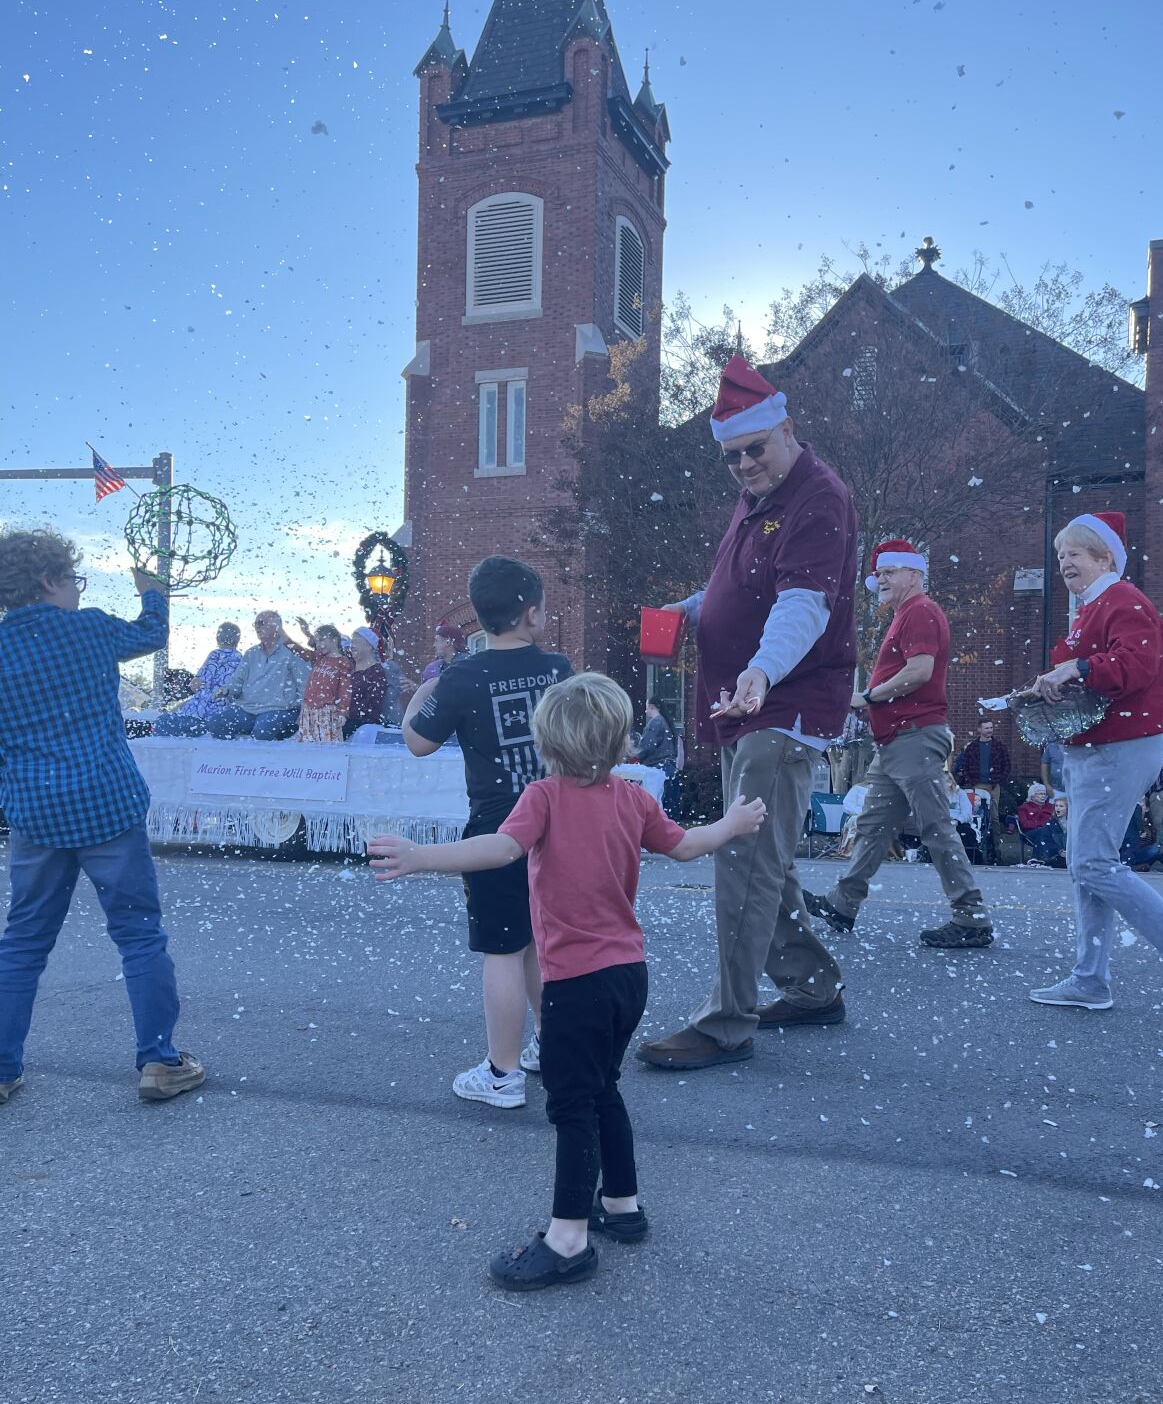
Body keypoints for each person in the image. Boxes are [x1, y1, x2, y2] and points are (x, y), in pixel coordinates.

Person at [370, 674, 766, 1289]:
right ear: (619, 744)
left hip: (575, 983)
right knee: (603, 1087)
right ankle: (622, 1207)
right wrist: (734, 823)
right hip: (628, 975)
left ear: (546, 743)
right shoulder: (632, 798)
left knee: (573, 1104)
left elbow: (500, 850)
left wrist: (423, 856)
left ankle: (568, 1237)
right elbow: (688, 846)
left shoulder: (544, 796)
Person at [634, 356, 858, 1072]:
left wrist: (760, 669)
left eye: (754, 449)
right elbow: (738, 585)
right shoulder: (758, 497)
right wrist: (692, 609)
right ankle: (813, 985)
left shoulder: (816, 498)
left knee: (742, 860)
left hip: (780, 706)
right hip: (744, 703)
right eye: (731, 456)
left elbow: (802, 605)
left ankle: (726, 1021)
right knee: (764, 858)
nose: (743, 465)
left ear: (785, 429)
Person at [0, 529, 204, 1105]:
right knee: (139, 936)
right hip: (105, 804)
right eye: (74, 579)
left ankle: (1, 1065)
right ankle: (160, 1062)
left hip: (36, 814)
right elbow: (152, 633)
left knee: (22, 943)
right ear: (49, 581)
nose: (76, 589)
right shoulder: (88, 627)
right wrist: (153, 590)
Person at [1028, 511, 1163, 1021]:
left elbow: (1137, 667)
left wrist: (1076, 667)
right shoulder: (1094, 608)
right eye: (1060, 555)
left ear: (1104, 556)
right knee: (1085, 868)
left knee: (1093, 864)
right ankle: (1089, 980)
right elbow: (1101, 676)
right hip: (1096, 748)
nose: (1064, 563)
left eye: (1075, 553)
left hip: (1116, 748)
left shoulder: (1123, 601)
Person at [402, 555, 573, 1105]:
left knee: (503, 948)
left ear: (480, 617)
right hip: (561, 820)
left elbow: (418, 742)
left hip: (497, 828)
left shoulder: (462, 676)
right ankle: (551, 1045)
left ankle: (501, 1074)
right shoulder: (558, 670)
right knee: (541, 942)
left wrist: (416, 701)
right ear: (532, 615)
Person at [802, 540, 992, 947]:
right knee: (871, 826)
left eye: (890, 572)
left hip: (915, 736)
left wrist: (869, 697)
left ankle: (971, 916)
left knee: (936, 827)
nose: (881, 579)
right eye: (879, 574)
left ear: (914, 574)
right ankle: (843, 903)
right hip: (896, 741)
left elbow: (920, 671)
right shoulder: (907, 613)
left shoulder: (920, 611)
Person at [207, 611, 308, 739]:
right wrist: (226, 690)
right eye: (255, 624)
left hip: (280, 709)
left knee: (262, 732)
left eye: (261, 623)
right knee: (216, 724)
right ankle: (233, 756)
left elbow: (305, 687)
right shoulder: (251, 653)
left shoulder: (293, 654)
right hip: (247, 709)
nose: (257, 627)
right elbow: (237, 681)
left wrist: (302, 714)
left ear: (276, 627)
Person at [152, 622, 243, 736]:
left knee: (162, 722)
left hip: (199, 713)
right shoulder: (241, 659)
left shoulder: (215, 655)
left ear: (218, 637)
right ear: (237, 639)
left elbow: (196, 685)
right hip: (219, 716)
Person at [283, 619, 353, 744]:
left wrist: (343, 712)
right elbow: (300, 651)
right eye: (316, 641)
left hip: (327, 711)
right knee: (307, 744)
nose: (319, 644)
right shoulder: (318, 657)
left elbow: (345, 689)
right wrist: (284, 638)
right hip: (309, 709)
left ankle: (329, 764)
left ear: (334, 640)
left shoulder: (343, 662)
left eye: (322, 640)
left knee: (326, 745)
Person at [953, 718, 1012, 832]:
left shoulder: (999, 746)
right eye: (986, 728)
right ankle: (978, 839)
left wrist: (1000, 779)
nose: (990, 730)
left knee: (994, 817)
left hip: (994, 785)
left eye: (991, 727)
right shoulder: (972, 747)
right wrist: (970, 780)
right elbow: (965, 766)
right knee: (976, 815)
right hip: (977, 785)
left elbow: (1007, 765)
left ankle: (995, 846)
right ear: (979, 729)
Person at [344, 627, 388, 736]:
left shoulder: (376, 672)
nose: (352, 646)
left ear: (369, 646)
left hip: (360, 728)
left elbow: (372, 707)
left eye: (356, 642)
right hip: (342, 720)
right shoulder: (348, 666)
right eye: (352, 642)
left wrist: (346, 714)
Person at [1015, 783, 1063, 864]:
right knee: (1043, 831)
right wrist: (1040, 825)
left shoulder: (1051, 807)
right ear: (1032, 795)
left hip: (1050, 832)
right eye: (1040, 794)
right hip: (1029, 833)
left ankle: (1060, 856)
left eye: (1044, 794)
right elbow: (1024, 824)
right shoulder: (1024, 808)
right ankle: (1037, 857)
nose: (1043, 796)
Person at [422, 620, 468, 684]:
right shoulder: (447, 665)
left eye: (436, 641)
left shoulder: (463, 667)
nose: (434, 645)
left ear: (447, 642)